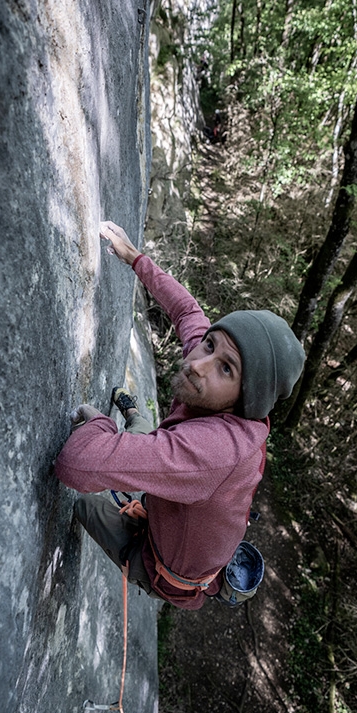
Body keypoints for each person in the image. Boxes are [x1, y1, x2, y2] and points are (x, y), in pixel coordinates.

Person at [54, 221, 305, 610]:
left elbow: (76, 465)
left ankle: (132, 427)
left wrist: (98, 425)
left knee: (86, 504)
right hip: (172, 506)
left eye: (226, 368)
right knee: (142, 443)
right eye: (209, 346)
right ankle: (136, 418)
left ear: (245, 398)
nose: (198, 365)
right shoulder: (210, 370)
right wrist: (135, 257)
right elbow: (189, 312)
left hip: (162, 565)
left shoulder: (215, 451)